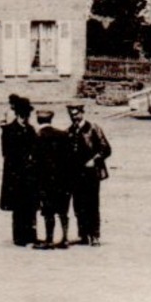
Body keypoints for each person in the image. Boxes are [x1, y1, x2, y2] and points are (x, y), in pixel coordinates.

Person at [66, 103, 111, 245]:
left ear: (82, 113)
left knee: (92, 204)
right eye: (72, 115)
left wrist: (95, 160)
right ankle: (83, 234)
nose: (74, 118)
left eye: (76, 114)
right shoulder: (69, 131)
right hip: (75, 173)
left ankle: (94, 235)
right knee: (78, 205)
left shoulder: (93, 129)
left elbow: (106, 149)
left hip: (91, 173)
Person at [0, 94, 39, 246]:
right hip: (16, 175)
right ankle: (19, 237)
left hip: (30, 175)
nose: (25, 118)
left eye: (26, 116)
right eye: (22, 116)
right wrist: (24, 159)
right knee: (18, 207)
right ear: (17, 115)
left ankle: (31, 235)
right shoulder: (9, 131)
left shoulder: (31, 130)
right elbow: (7, 153)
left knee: (31, 206)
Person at [32, 109, 71, 248]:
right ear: (51, 120)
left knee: (48, 212)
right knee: (62, 211)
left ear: (38, 120)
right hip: (63, 180)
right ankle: (65, 239)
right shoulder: (63, 134)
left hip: (45, 181)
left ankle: (49, 240)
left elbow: (35, 162)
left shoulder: (37, 137)